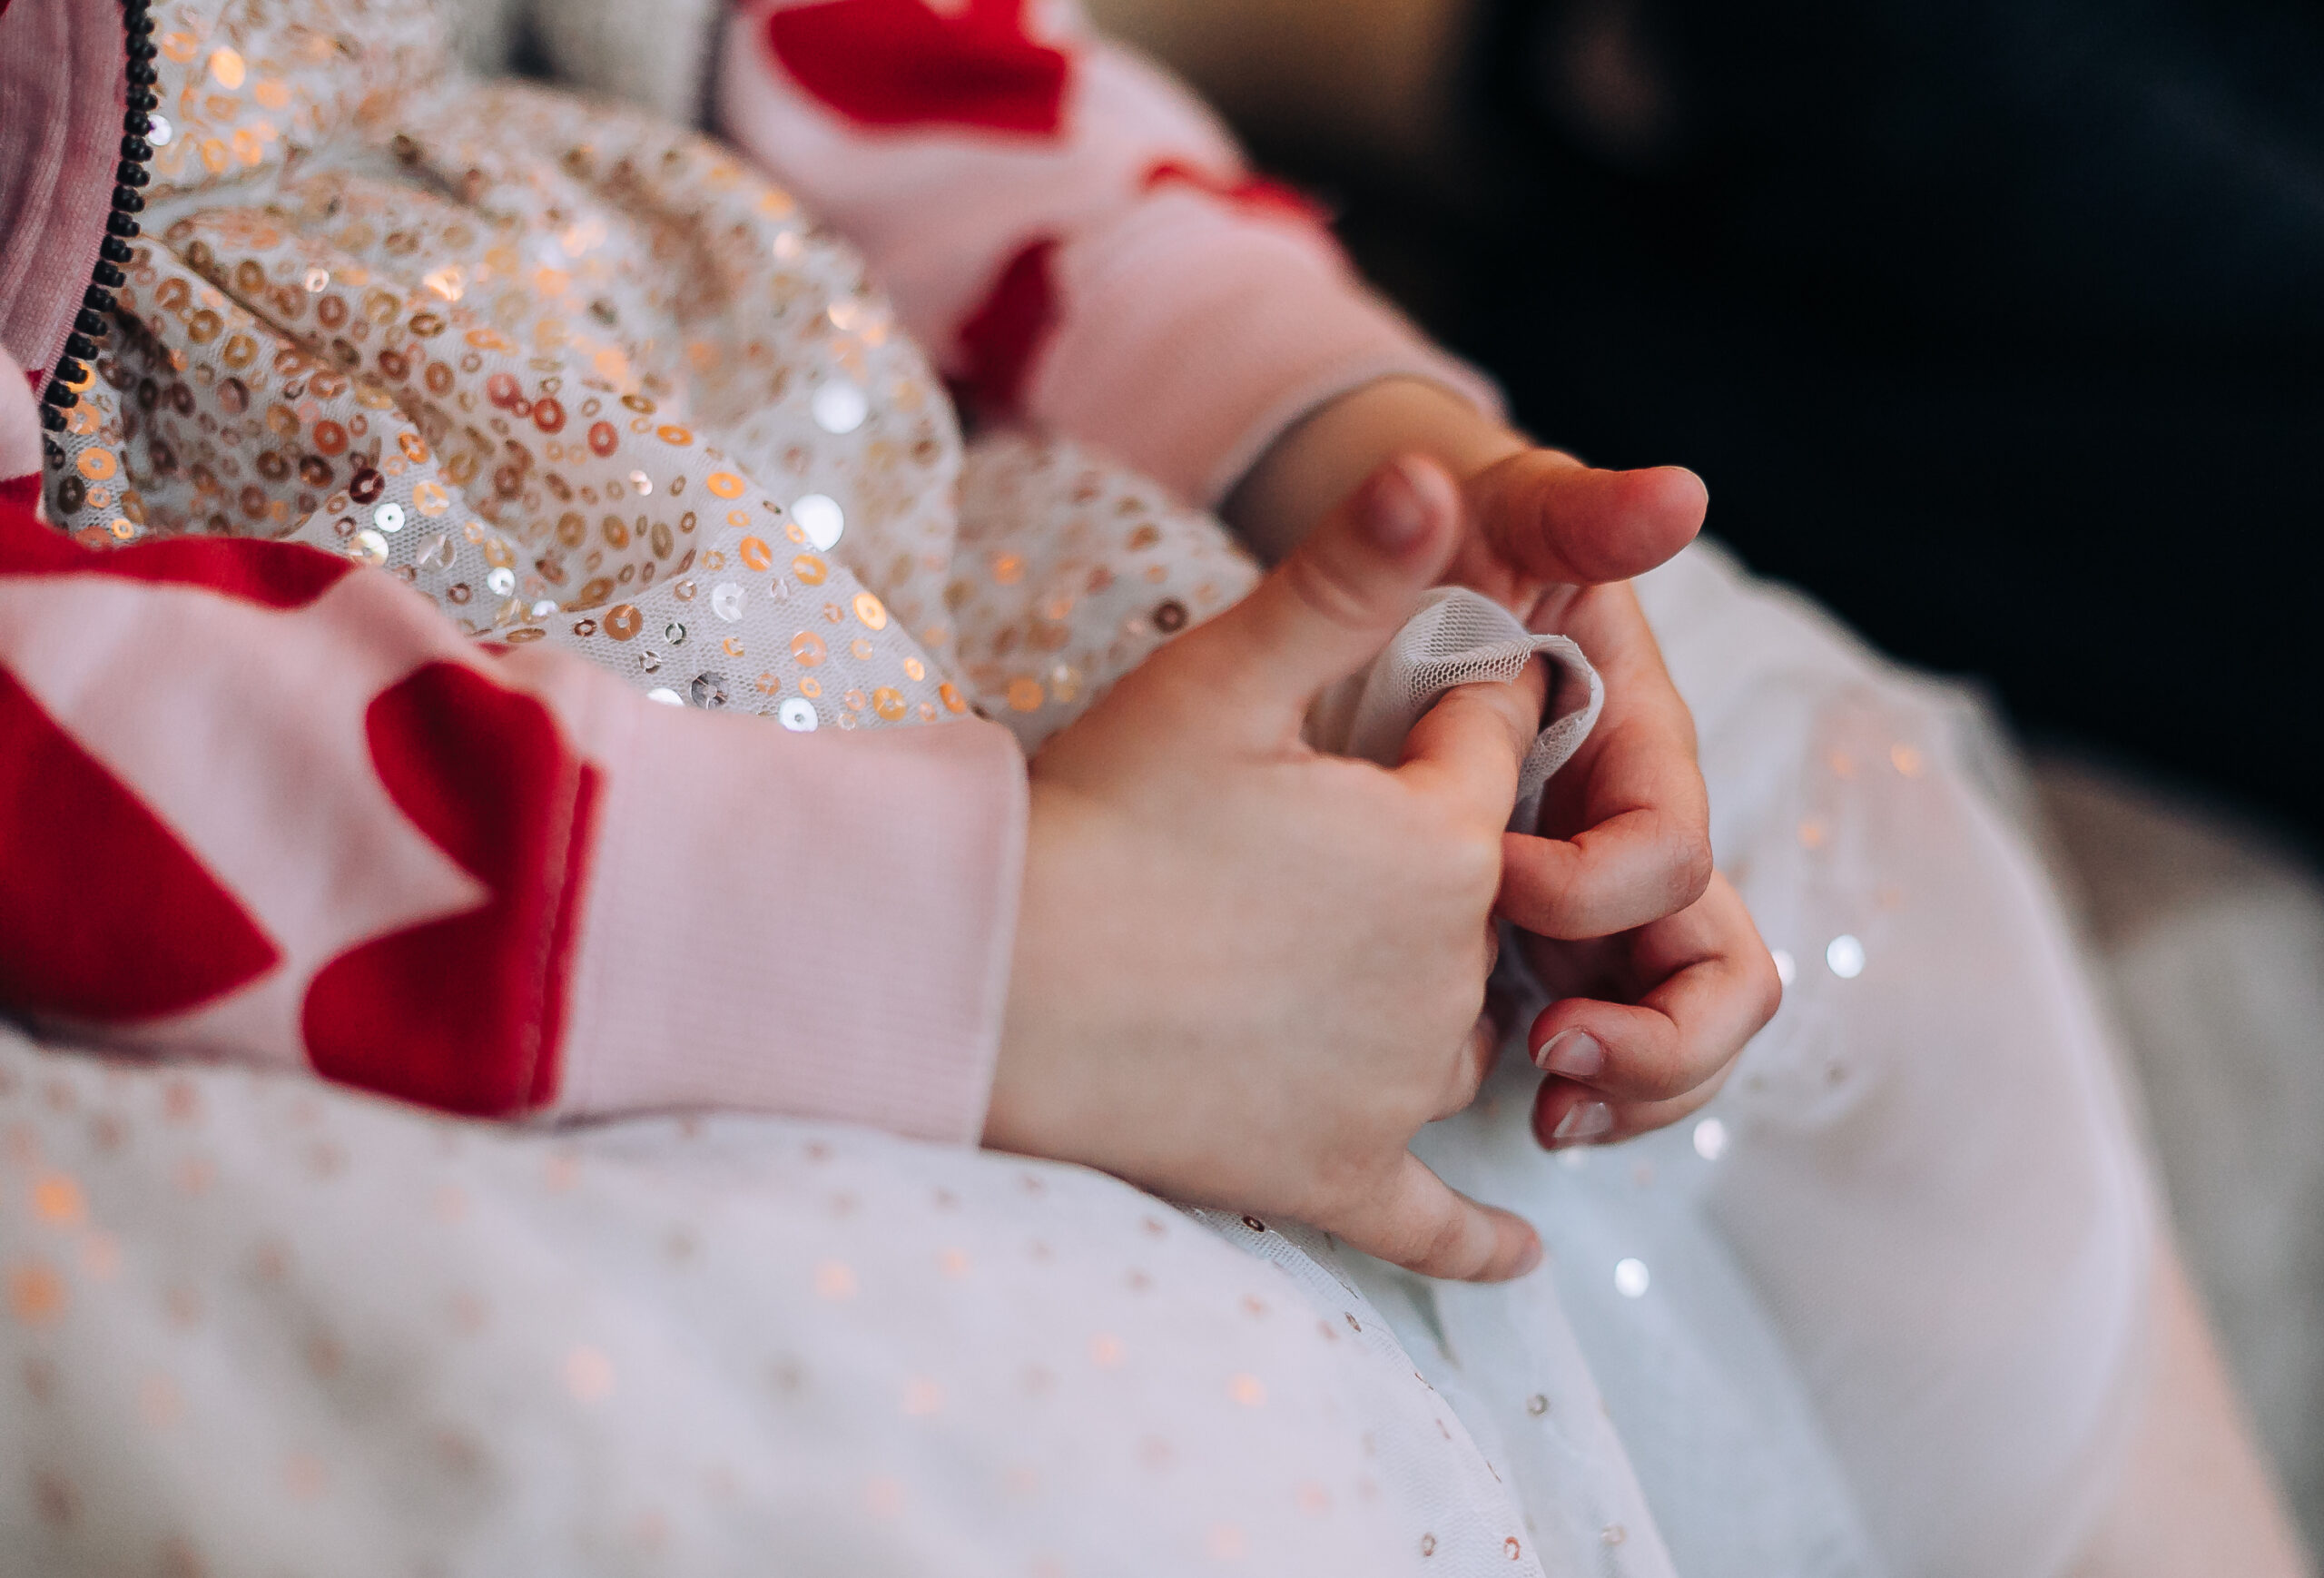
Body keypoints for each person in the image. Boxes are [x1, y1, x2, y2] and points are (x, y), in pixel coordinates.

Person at [0, 0, 2305, 1573]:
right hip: (316, 834)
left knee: (1824, 820)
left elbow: (874, 55)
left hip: (771, 420)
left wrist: (1395, 474)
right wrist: (990, 958)